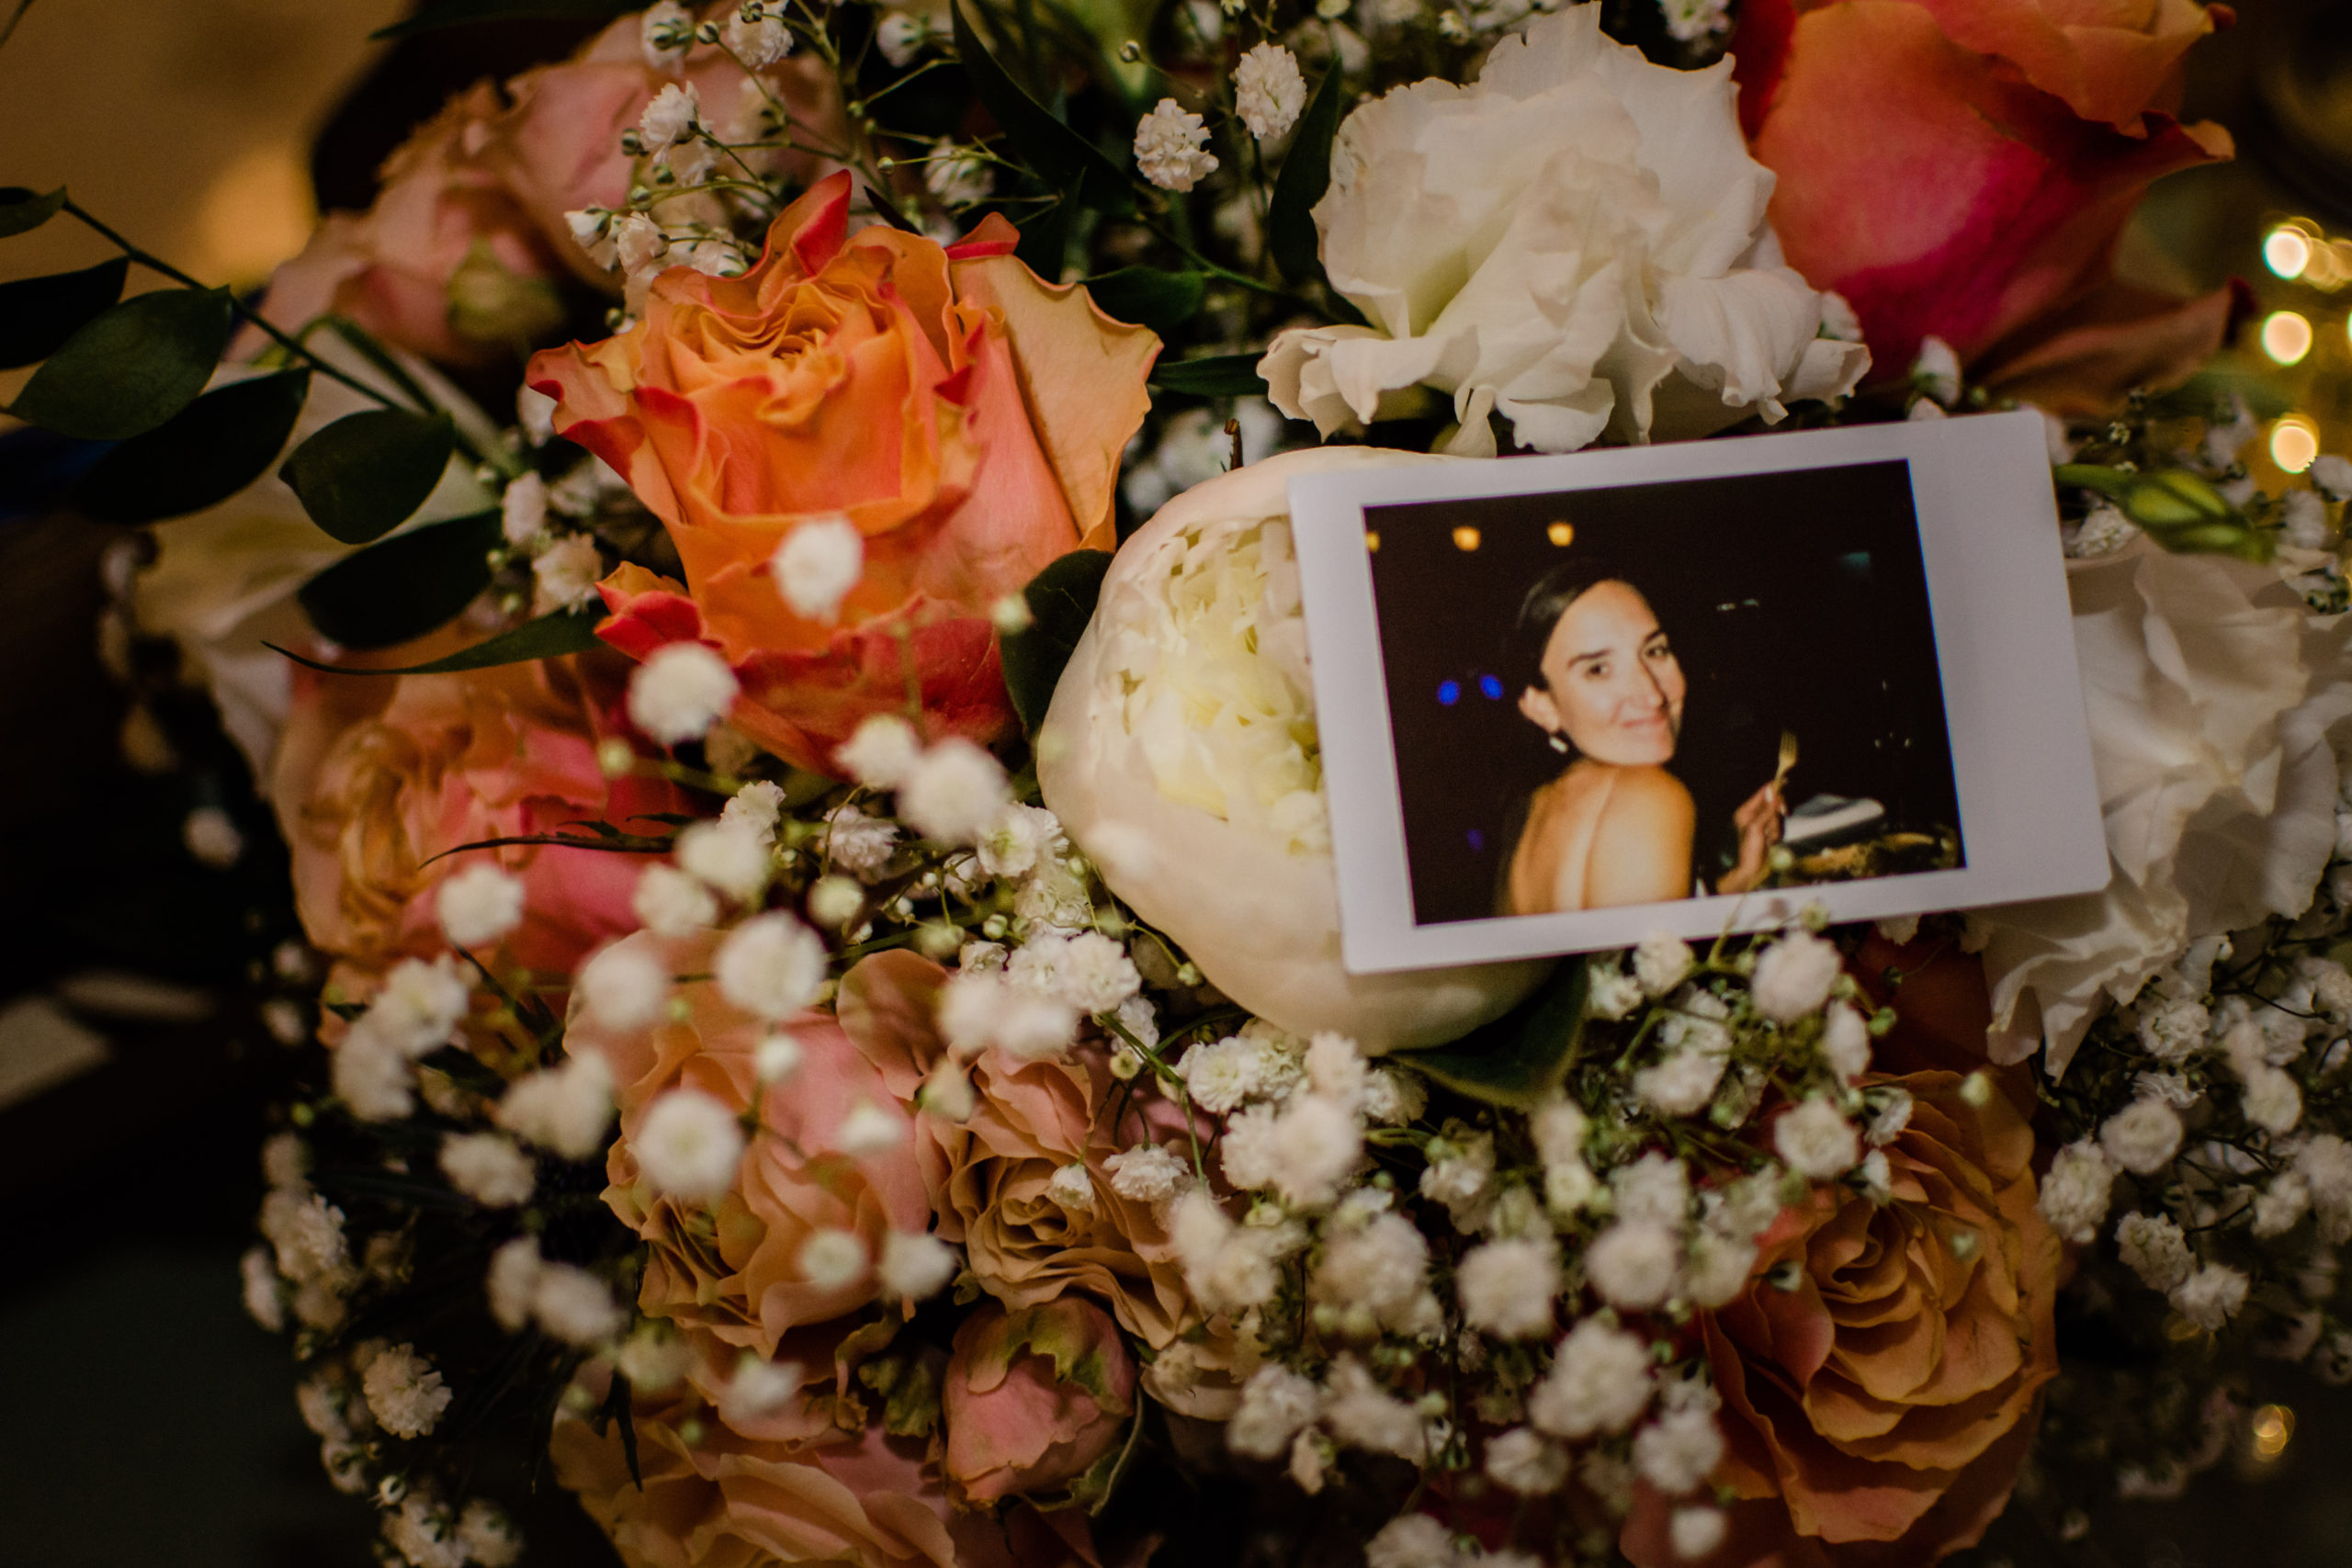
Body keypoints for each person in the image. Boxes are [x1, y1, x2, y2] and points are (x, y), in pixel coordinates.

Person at [1502, 561, 1784, 916]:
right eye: (1598, 669)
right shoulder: (1654, 797)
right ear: (1542, 707)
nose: (1652, 695)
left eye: (1655, 650)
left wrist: (1737, 883)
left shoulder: (1527, 809)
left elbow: (1615, 962)